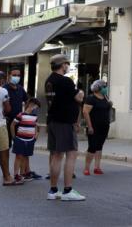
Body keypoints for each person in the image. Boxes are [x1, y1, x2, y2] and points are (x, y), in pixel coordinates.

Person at [45, 54, 86, 201]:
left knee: (56, 155)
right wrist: (80, 92)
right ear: (63, 65)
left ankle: (53, 190)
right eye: (67, 64)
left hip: (53, 121)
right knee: (71, 154)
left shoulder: (49, 80)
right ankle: (68, 190)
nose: (68, 66)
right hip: (64, 122)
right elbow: (79, 97)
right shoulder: (65, 81)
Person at [82, 80, 113, 176]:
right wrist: (90, 126)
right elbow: (85, 112)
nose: (106, 88)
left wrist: (110, 104)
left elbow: (107, 109)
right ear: (98, 88)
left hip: (104, 126)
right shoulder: (91, 98)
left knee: (99, 146)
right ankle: (86, 168)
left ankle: (97, 167)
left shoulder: (105, 97)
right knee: (92, 147)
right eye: (104, 86)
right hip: (94, 126)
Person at [11, 98, 41, 184]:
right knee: (18, 157)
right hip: (20, 139)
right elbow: (12, 125)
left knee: (25, 156)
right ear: (31, 104)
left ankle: (23, 174)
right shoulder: (21, 115)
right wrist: (14, 138)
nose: (36, 110)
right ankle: (16, 175)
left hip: (30, 140)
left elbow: (37, 128)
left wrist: (35, 138)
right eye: (36, 107)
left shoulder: (35, 117)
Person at [4, 67, 27, 151]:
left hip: (18, 122)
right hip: (7, 122)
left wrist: (26, 114)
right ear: (9, 76)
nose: (17, 77)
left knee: (19, 147)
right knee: (6, 147)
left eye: (18, 75)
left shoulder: (20, 88)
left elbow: (27, 100)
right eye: (14, 75)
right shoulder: (4, 89)